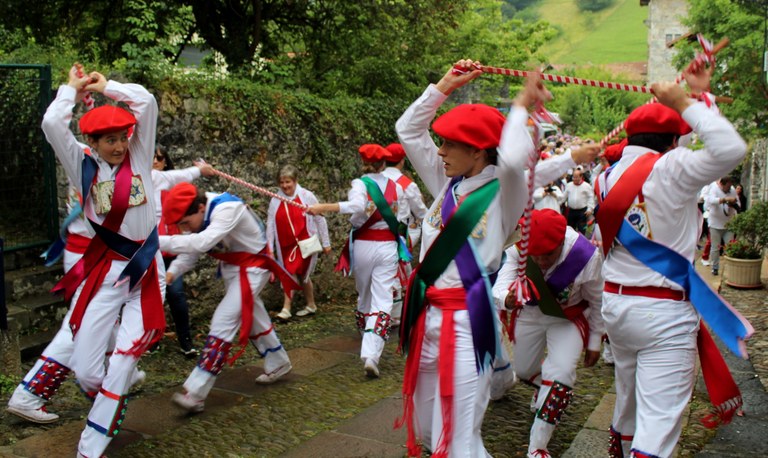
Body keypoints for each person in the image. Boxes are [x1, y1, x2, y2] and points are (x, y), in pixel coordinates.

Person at [392, 59, 546, 457]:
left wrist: (520, 106)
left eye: (449, 144)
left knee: (459, 438)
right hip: (426, 316)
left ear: (478, 152)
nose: (440, 151)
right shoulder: (447, 183)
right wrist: (444, 86)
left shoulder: (504, 192)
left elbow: (514, 158)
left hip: (467, 322)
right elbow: (408, 130)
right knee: (430, 430)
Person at [595, 67, 747, 458]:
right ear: (673, 141)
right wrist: (685, 101)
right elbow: (730, 149)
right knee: (658, 423)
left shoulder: (606, 177)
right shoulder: (672, 167)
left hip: (617, 306)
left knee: (628, 404)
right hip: (663, 312)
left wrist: (697, 99)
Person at [39, 64, 165, 458]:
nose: (119, 146)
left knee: (124, 358)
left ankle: (90, 448)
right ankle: (109, 399)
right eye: (109, 140)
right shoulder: (82, 166)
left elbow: (146, 102)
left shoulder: (140, 155)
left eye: (122, 138)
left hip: (147, 271)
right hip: (109, 272)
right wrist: (71, 90)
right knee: (87, 369)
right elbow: (52, 124)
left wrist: (107, 86)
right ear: (92, 142)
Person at [160, 183, 297, 413]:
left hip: (254, 268)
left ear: (200, 208)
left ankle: (195, 394)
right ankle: (279, 362)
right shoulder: (198, 214)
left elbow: (201, 242)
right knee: (254, 316)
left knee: (223, 321)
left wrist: (157, 241)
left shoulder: (227, 208)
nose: (185, 229)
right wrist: (172, 272)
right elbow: (192, 249)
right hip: (233, 268)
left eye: (185, 223)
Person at [493, 209, 604, 458]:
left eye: (549, 255)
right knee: (523, 370)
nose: (541, 261)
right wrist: (507, 299)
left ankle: (538, 447)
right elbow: (500, 285)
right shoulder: (519, 247)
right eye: (536, 255)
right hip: (529, 314)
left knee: (561, 375)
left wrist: (595, 340)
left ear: (562, 242)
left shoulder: (585, 256)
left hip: (567, 318)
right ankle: (546, 388)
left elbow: (597, 300)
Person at [308, 144, 410, 378]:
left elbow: (356, 207)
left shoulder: (360, 184)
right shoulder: (396, 186)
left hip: (363, 246)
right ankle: (371, 353)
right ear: (383, 163)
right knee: (382, 297)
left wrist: (323, 207)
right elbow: (402, 218)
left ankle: (368, 342)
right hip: (388, 245)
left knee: (365, 295)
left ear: (363, 162)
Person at [152, 146, 215, 356]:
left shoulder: (173, 186)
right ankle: (152, 339)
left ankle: (185, 341)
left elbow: (180, 177)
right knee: (152, 297)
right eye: (152, 158)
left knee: (176, 294)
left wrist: (199, 170)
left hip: (173, 249)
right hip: (153, 252)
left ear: (165, 162)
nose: (155, 162)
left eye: (159, 158)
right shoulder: (144, 183)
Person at [267, 164, 331, 320]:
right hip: (286, 246)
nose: (284, 186)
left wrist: (326, 243)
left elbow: (320, 219)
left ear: (295, 181)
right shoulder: (275, 200)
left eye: (288, 182)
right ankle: (311, 304)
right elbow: (270, 225)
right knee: (302, 276)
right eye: (281, 182)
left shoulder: (306, 196)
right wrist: (270, 248)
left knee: (292, 273)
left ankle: (286, 308)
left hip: (303, 244)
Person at [381, 142, 429, 327]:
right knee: (398, 272)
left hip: (373, 235)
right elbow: (422, 213)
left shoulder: (373, 180)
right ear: (402, 161)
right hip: (398, 236)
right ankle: (395, 315)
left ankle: (377, 312)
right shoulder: (407, 185)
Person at [704, 176, 739, 275]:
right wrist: (725, 199)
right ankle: (715, 267)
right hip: (715, 223)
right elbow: (710, 200)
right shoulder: (713, 188)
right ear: (721, 184)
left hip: (729, 224)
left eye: (730, 186)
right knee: (715, 247)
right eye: (727, 187)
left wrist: (733, 203)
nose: (729, 189)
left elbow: (738, 203)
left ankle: (732, 269)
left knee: (730, 247)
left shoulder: (732, 190)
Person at [564, 168, 594, 234]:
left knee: (582, 229)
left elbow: (591, 198)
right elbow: (563, 197)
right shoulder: (569, 185)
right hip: (571, 211)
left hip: (582, 212)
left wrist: (590, 209)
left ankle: (581, 240)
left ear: (581, 177)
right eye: (573, 177)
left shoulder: (587, 186)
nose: (575, 179)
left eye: (576, 177)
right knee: (570, 230)